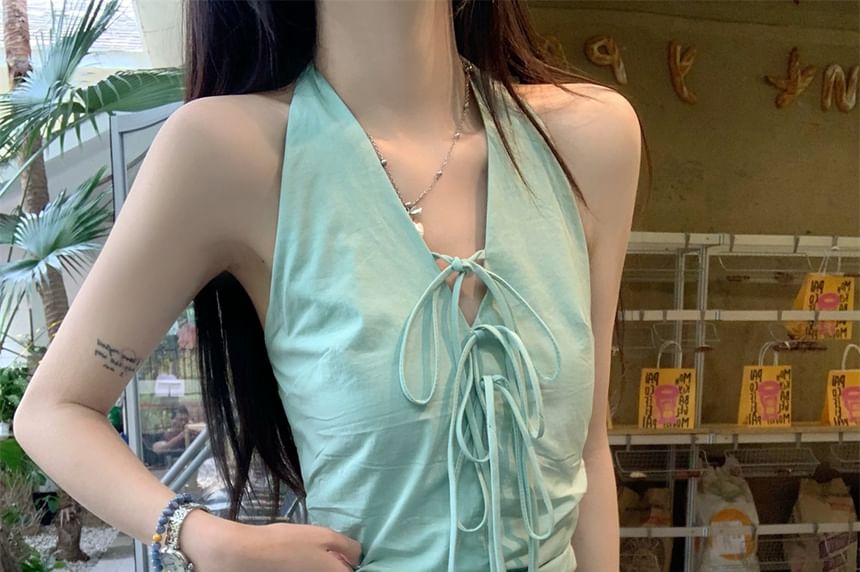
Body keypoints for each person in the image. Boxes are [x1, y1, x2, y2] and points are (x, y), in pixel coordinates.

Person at [13, 1, 641, 571]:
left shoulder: (589, 140)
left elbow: (587, 446)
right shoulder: (228, 152)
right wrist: (205, 538)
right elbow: (53, 410)